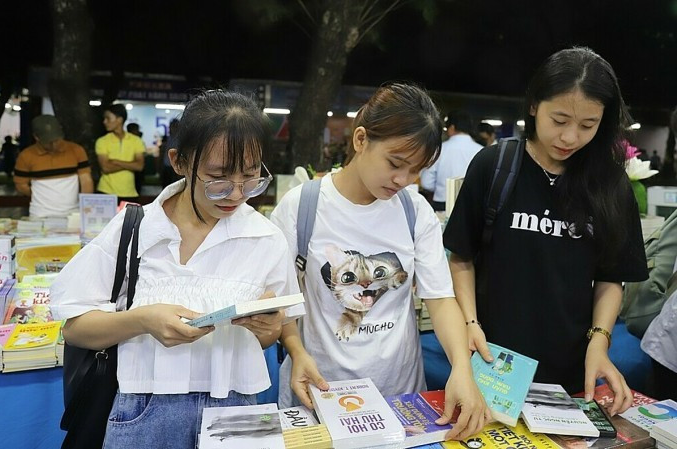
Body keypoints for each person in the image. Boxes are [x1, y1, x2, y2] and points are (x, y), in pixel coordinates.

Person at [50, 90, 303, 448]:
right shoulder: (134, 230)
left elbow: (265, 338)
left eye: (251, 178)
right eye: (218, 178)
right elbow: (74, 329)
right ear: (179, 161)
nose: (235, 194)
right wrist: (142, 320)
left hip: (239, 411)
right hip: (142, 412)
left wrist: (269, 327)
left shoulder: (266, 239)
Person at [271, 83, 489, 440]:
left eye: (415, 170)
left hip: (400, 398)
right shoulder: (301, 207)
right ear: (360, 140)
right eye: (395, 164)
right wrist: (295, 351)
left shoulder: (414, 211)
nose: (402, 180)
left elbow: (439, 298)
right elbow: (282, 301)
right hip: (319, 393)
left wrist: (461, 369)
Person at [444, 47, 648, 416]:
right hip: (491, 363)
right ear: (535, 105)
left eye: (588, 125)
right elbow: (461, 256)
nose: (570, 137)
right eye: (560, 119)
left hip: (569, 374)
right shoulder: (494, 167)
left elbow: (611, 277)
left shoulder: (611, 186)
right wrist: (470, 324)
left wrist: (599, 343)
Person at [14, 115, 93, 218]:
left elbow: (86, 180)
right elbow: (21, 185)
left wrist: (84, 207)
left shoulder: (76, 150)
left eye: (57, 140)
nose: (54, 145)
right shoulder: (26, 156)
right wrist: (43, 196)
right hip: (40, 214)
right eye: (49, 142)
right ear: (36, 137)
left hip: (73, 213)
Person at [420, 111, 483, 211]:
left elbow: (426, 182)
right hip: (471, 206)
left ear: (452, 128)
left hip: (442, 205)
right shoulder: (481, 151)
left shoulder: (439, 150)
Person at [96, 104, 146, 201]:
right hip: (105, 192)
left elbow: (139, 166)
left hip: (130, 193)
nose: (104, 122)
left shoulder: (136, 140)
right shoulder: (102, 141)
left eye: (108, 118)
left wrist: (115, 161)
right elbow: (105, 168)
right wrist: (130, 164)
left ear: (119, 120)